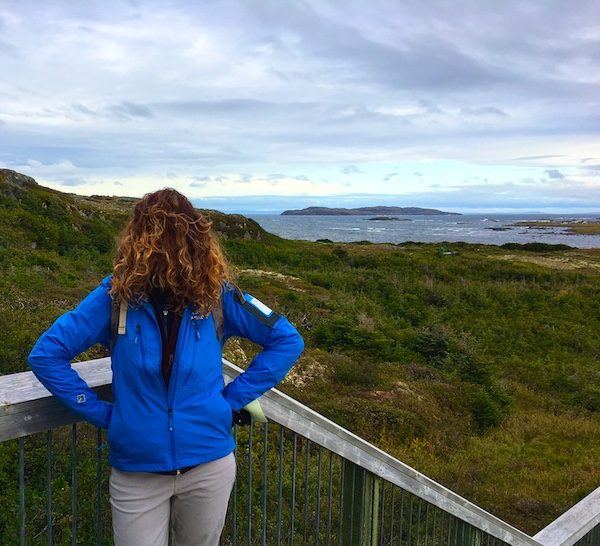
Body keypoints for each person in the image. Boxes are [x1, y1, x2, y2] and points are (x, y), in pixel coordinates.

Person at [26, 188, 305, 545]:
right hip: (137, 472)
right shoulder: (114, 298)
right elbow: (47, 354)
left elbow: (287, 340)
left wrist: (231, 401)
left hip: (209, 465)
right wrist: (101, 413)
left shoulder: (219, 296)